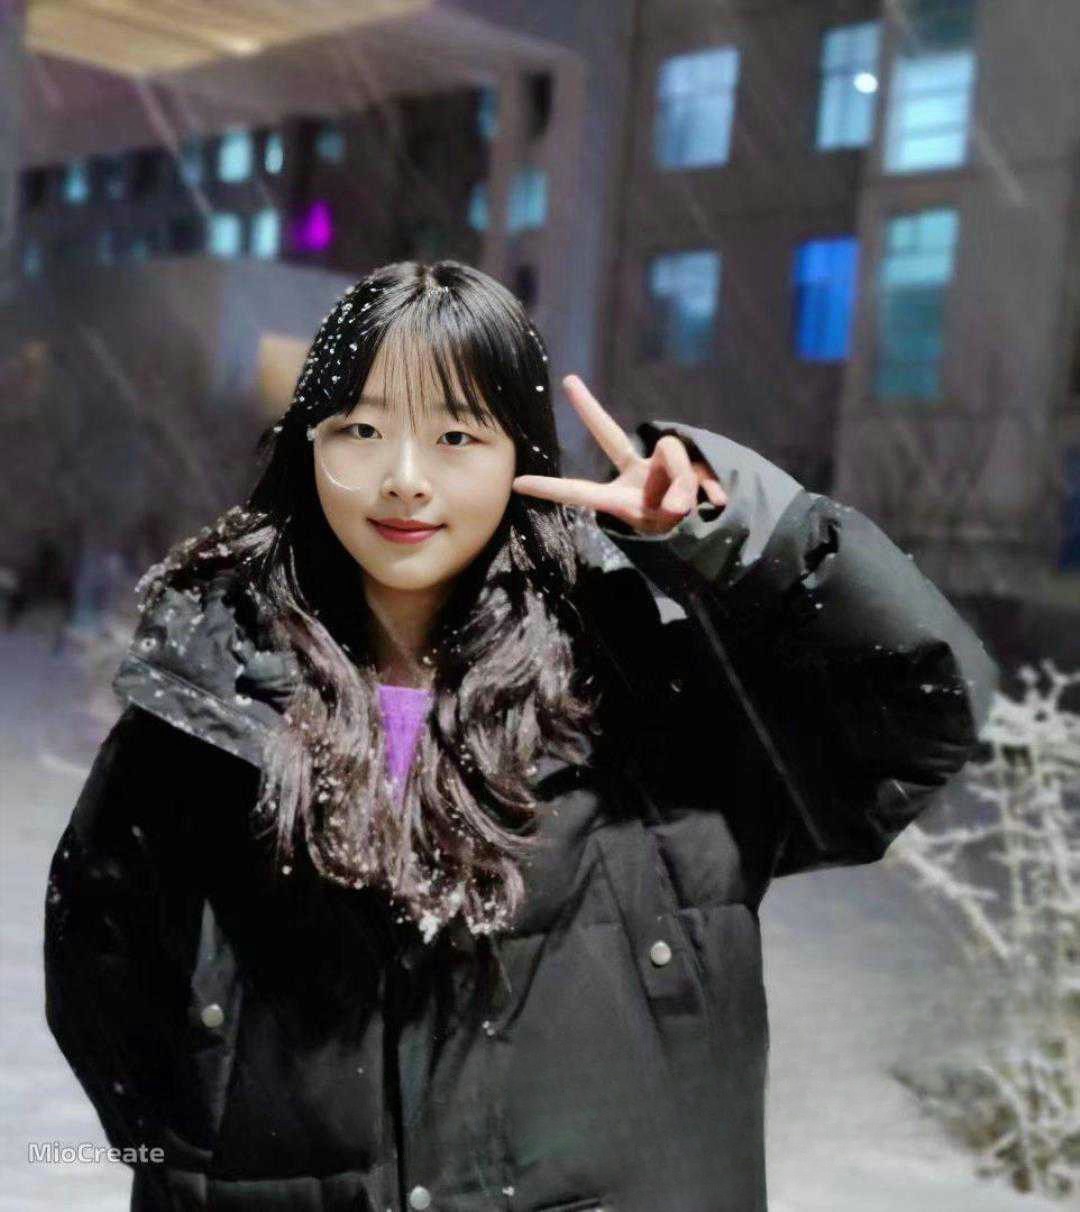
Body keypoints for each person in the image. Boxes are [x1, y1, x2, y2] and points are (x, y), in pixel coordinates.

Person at [43, 260, 998, 1212]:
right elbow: (105, 978)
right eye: (361, 430)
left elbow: (915, 715)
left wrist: (732, 535)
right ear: (309, 447)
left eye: (457, 435)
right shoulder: (215, 702)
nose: (405, 480)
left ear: (522, 456)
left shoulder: (645, 690)